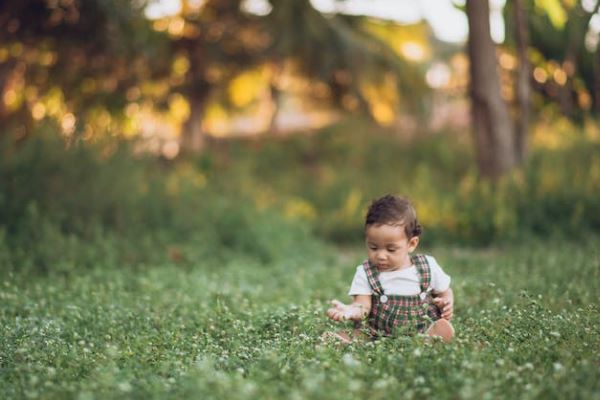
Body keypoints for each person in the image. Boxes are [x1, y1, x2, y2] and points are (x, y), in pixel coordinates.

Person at [325, 194, 455, 343]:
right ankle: (342, 341)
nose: (381, 256)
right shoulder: (365, 272)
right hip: (377, 333)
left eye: (391, 249)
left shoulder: (427, 267)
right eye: (373, 247)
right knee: (356, 334)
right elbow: (363, 305)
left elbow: (445, 291)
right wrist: (351, 311)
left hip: (420, 330)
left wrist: (446, 303)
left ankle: (428, 338)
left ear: (411, 244)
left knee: (436, 328)